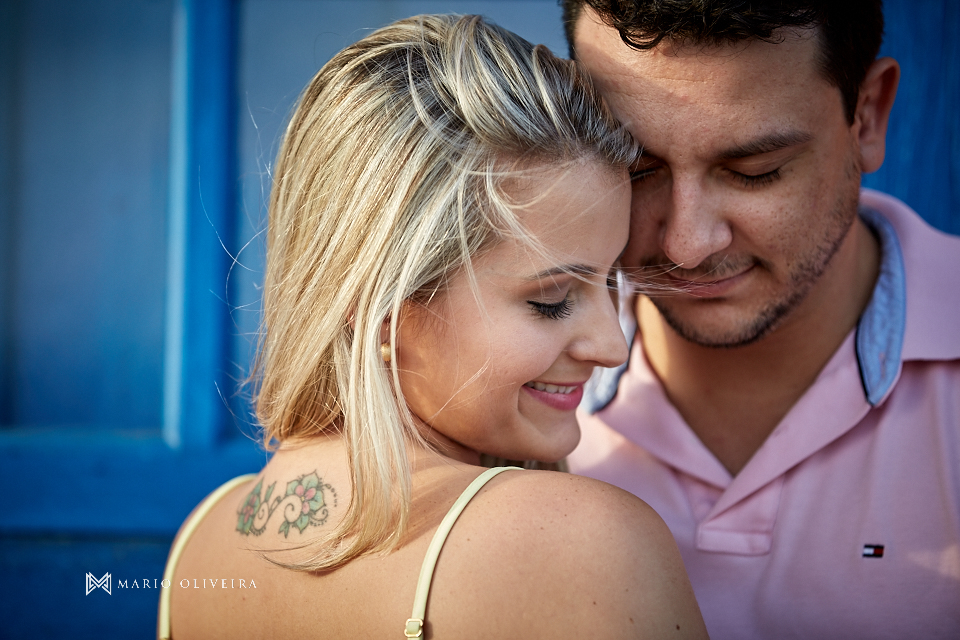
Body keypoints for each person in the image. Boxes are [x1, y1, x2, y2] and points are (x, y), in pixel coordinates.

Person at [156, 14, 707, 640]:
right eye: (553, 301)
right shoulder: (583, 545)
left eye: (610, 283)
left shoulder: (198, 547)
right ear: (380, 308)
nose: (612, 347)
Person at [560, 1, 960, 638]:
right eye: (637, 169)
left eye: (754, 173)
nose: (687, 245)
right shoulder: (495, 374)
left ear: (868, 116)